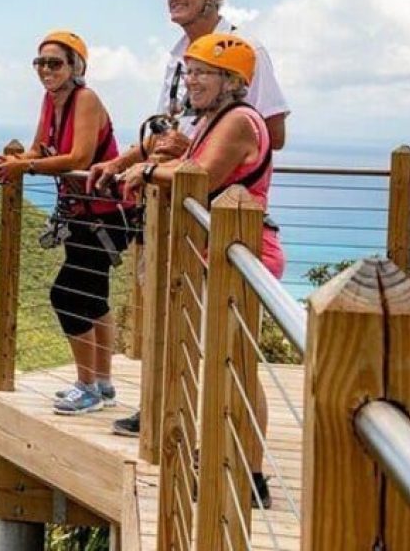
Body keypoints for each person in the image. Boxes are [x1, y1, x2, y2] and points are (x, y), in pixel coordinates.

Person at [90, 0, 290, 439]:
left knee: (225, 351)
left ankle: (239, 459)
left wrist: (167, 160)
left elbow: (261, 137)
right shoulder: (180, 56)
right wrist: (124, 162)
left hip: (225, 224)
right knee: (178, 331)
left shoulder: (245, 53)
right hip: (188, 224)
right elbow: (168, 132)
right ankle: (169, 418)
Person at [99, 33, 283, 507]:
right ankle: (231, 462)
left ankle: (250, 474)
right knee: (224, 360)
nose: (193, 81)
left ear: (232, 80)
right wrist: (157, 159)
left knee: (235, 364)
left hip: (240, 252)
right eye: (191, 72)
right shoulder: (215, 120)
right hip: (219, 251)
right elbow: (188, 164)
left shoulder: (239, 120)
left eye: (204, 73)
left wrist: (144, 171)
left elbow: (200, 177)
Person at [0, 31, 129, 415]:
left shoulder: (86, 99)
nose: (46, 70)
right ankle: (102, 383)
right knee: (94, 298)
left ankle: (86, 386)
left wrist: (25, 167)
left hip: (102, 215)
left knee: (66, 296)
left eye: (55, 63)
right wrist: (14, 162)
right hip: (83, 213)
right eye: (40, 63)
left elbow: (79, 157)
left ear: (75, 67)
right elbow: (39, 146)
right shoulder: (52, 100)